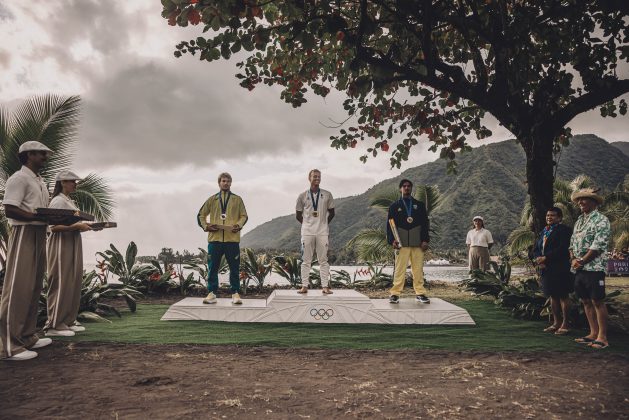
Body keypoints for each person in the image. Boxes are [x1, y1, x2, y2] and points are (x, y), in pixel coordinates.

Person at [0, 141, 53, 361]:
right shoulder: (19, 178)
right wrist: (38, 217)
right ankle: (9, 345)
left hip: (39, 233)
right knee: (17, 288)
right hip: (23, 233)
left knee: (33, 286)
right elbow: (10, 208)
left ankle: (27, 335)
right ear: (29, 155)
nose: (45, 157)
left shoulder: (39, 180)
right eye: (41, 153)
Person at [45, 171, 100, 337]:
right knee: (61, 280)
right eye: (72, 181)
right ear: (62, 183)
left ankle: (67, 320)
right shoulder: (57, 201)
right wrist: (76, 227)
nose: (75, 184)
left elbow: (72, 225)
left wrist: (85, 227)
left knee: (72, 281)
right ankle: (54, 324)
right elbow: (52, 227)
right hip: (61, 243)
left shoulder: (69, 201)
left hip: (72, 242)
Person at [569, 188, 611, 349]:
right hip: (579, 269)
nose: (580, 202)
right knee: (585, 301)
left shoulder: (601, 220)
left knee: (597, 301)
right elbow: (572, 242)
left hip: (594, 268)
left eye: (584, 199)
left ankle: (603, 337)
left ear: (594, 202)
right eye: (579, 200)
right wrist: (573, 258)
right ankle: (593, 333)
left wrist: (581, 261)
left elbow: (598, 245)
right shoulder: (579, 221)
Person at [197, 173, 248, 305]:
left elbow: (244, 216)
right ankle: (212, 293)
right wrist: (206, 226)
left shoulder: (237, 199)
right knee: (213, 267)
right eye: (223, 181)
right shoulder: (212, 199)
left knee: (234, 268)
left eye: (228, 181)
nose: (225, 183)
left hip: (232, 240)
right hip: (215, 239)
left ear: (231, 183)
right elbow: (200, 215)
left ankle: (235, 293)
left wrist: (239, 225)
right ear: (219, 183)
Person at [386, 179, 430, 304]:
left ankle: (420, 293)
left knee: (418, 269)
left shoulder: (419, 205)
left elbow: (425, 224)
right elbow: (390, 225)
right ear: (400, 189)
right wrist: (392, 240)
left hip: (418, 243)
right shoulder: (394, 206)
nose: (406, 188)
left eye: (409, 186)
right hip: (401, 243)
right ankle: (395, 294)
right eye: (404, 186)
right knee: (399, 269)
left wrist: (425, 240)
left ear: (411, 189)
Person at [532, 207, 573, 335]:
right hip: (546, 269)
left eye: (553, 215)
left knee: (563, 296)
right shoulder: (544, 231)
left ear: (560, 218)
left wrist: (546, 258)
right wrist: (539, 259)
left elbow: (563, 248)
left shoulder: (564, 230)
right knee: (552, 296)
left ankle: (566, 324)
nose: (549, 217)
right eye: (548, 215)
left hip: (560, 268)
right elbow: (536, 248)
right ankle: (556, 322)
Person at [295, 169, 335, 294]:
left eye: (319, 176)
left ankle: (325, 287)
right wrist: (307, 224)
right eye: (315, 176)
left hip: (322, 232)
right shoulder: (302, 196)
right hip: (307, 232)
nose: (317, 178)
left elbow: (332, 213)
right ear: (309, 178)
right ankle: (304, 286)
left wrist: (323, 224)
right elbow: (298, 215)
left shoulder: (327, 194)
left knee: (323, 260)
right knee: (306, 260)